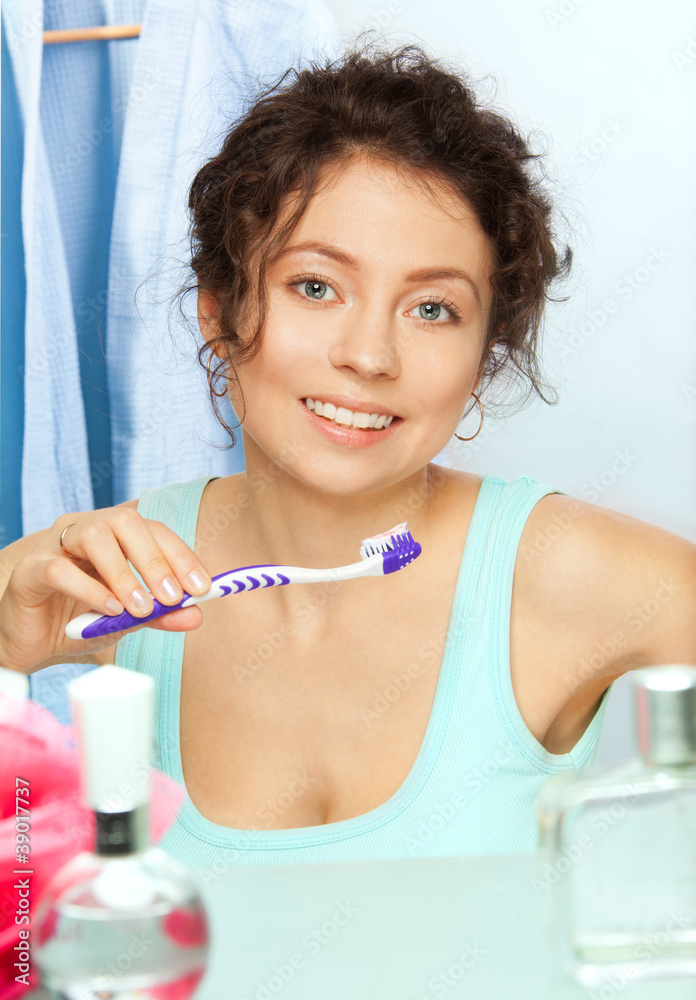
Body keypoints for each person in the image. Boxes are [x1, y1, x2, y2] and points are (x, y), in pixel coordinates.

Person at [0, 42, 694, 869]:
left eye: (433, 308)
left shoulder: (562, 572)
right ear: (220, 313)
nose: (370, 356)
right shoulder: (118, 574)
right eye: (317, 287)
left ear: (485, 355)